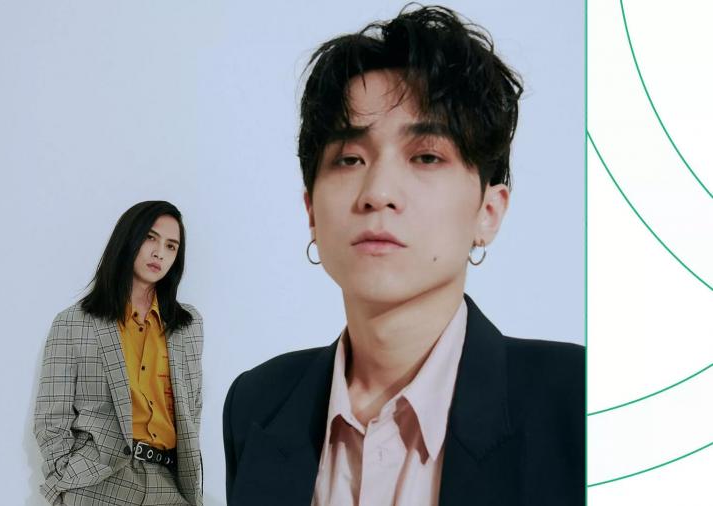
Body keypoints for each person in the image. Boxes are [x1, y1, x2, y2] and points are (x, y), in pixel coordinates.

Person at [222, 5, 584, 506]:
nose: (378, 192)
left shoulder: (578, 402)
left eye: (426, 156)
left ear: (488, 211)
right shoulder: (257, 404)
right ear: (311, 211)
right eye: (349, 159)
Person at [35, 200, 204, 506]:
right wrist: (67, 480)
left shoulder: (188, 326)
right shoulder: (73, 323)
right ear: (128, 239)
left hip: (169, 485)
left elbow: (192, 410)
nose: (159, 253)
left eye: (171, 246)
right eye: (150, 238)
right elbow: (51, 418)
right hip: (99, 483)